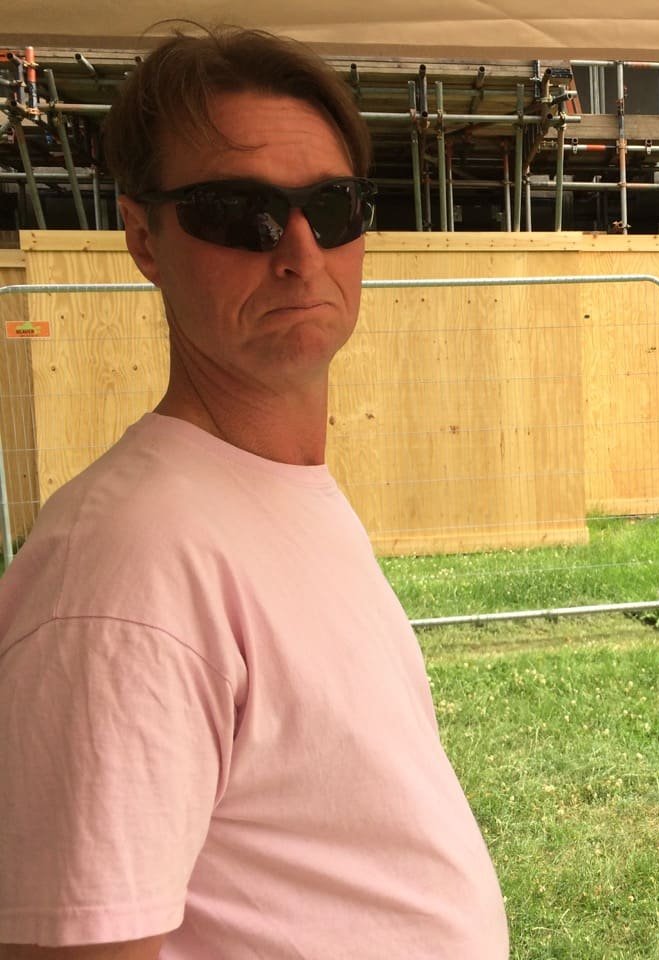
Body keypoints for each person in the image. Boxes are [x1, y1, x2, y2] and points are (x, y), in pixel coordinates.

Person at [0, 26, 507, 960]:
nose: (301, 251)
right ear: (144, 238)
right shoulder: (130, 569)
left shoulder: (270, 491)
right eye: (240, 213)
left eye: (333, 206)